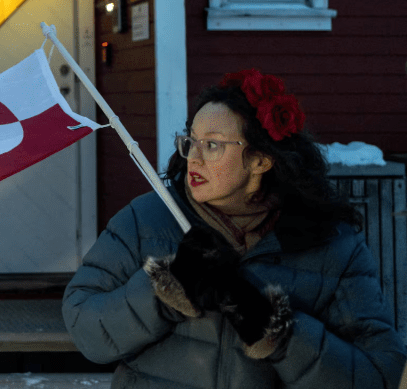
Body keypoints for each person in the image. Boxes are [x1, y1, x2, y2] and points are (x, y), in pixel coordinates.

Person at [62, 68, 407, 388]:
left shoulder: (330, 245)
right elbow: (84, 325)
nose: (192, 157)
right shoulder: (148, 219)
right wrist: (162, 295)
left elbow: (379, 372)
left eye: (212, 145)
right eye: (190, 140)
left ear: (260, 160)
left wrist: (278, 333)